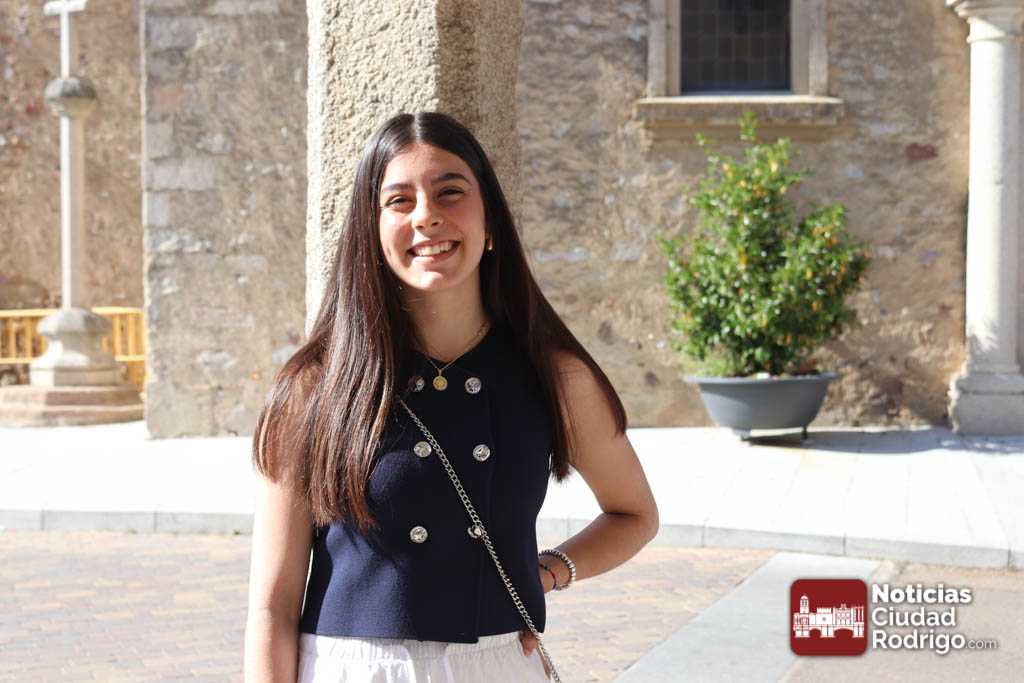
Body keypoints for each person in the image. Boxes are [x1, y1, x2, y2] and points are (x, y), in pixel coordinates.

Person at [243, 111, 660, 682]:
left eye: (450, 192)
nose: (426, 217)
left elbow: (635, 514)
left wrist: (549, 571)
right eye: (399, 201)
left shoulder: (553, 375)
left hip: (499, 666)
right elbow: (272, 605)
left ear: (490, 222)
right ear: (372, 232)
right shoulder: (315, 385)